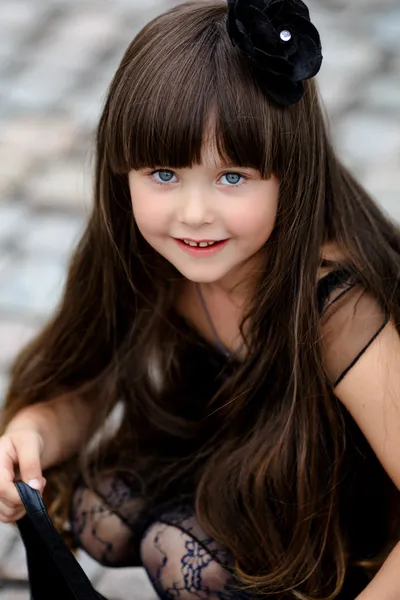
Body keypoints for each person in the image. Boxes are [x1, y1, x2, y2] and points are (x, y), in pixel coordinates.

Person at [0, 0, 400, 598]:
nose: (193, 214)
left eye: (232, 177)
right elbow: (88, 380)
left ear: (290, 172)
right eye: (163, 173)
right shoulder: (148, 253)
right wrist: (30, 434)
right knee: (97, 509)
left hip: (347, 515)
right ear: (122, 171)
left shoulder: (338, 309)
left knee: (186, 557)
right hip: (250, 457)